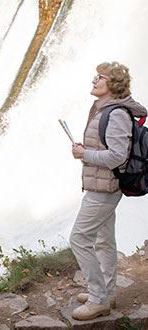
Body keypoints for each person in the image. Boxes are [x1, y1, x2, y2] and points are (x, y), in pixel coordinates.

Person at [70, 61, 147, 321]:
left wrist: (85, 154)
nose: (93, 80)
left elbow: (116, 158)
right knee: (103, 241)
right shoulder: (102, 108)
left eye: (99, 77)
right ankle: (108, 293)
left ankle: (98, 300)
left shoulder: (115, 114)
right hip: (99, 185)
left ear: (112, 85)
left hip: (105, 189)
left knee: (79, 239)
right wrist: (87, 150)